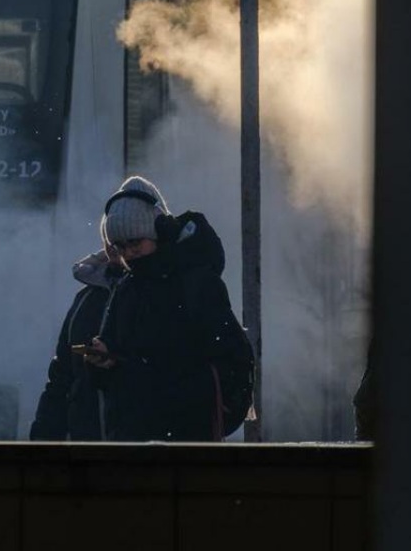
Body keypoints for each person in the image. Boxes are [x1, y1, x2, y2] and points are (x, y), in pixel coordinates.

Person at [85, 176, 253, 442]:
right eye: (120, 247)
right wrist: (103, 361)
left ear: (158, 232)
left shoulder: (195, 284)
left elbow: (233, 362)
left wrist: (179, 394)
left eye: (135, 243)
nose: (128, 253)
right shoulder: (126, 289)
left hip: (185, 439)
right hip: (136, 439)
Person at [27, 248, 122, 441]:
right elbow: (62, 374)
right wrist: (44, 436)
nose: (117, 248)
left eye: (131, 240)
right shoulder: (86, 298)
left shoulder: (162, 293)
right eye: (112, 241)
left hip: (141, 445)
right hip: (86, 440)